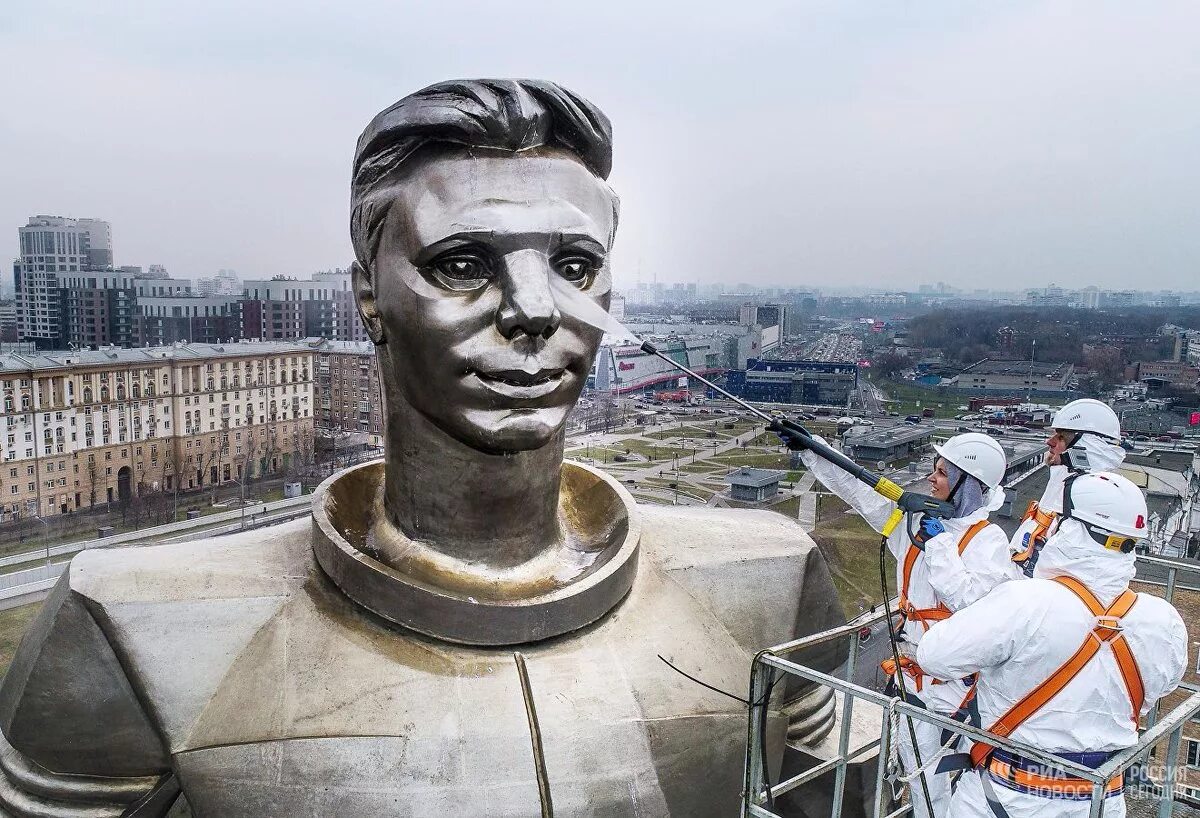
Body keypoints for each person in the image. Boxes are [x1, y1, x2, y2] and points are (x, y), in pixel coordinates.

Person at [0, 80, 853, 817]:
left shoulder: (766, 585)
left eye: (575, 265)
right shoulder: (136, 629)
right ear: (368, 297)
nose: (534, 309)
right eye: (461, 263)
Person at [776, 429, 1020, 818]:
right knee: (915, 767)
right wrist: (814, 450)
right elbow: (863, 492)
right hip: (912, 677)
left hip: (949, 688)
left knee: (935, 777)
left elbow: (969, 602)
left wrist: (938, 544)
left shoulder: (986, 541)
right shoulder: (916, 524)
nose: (930, 479)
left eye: (941, 473)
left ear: (966, 487)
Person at [917, 471, 1186, 818]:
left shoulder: (1026, 601)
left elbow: (934, 656)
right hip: (1100, 800)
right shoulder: (1163, 619)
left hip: (1008, 796)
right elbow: (1163, 685)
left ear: (1071, 529)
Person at [1010, 399, 1124, 576]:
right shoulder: (1064, 479)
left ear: (1086, 446)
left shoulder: (1093, 495)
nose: (1050, 442)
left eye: (1061, 437)